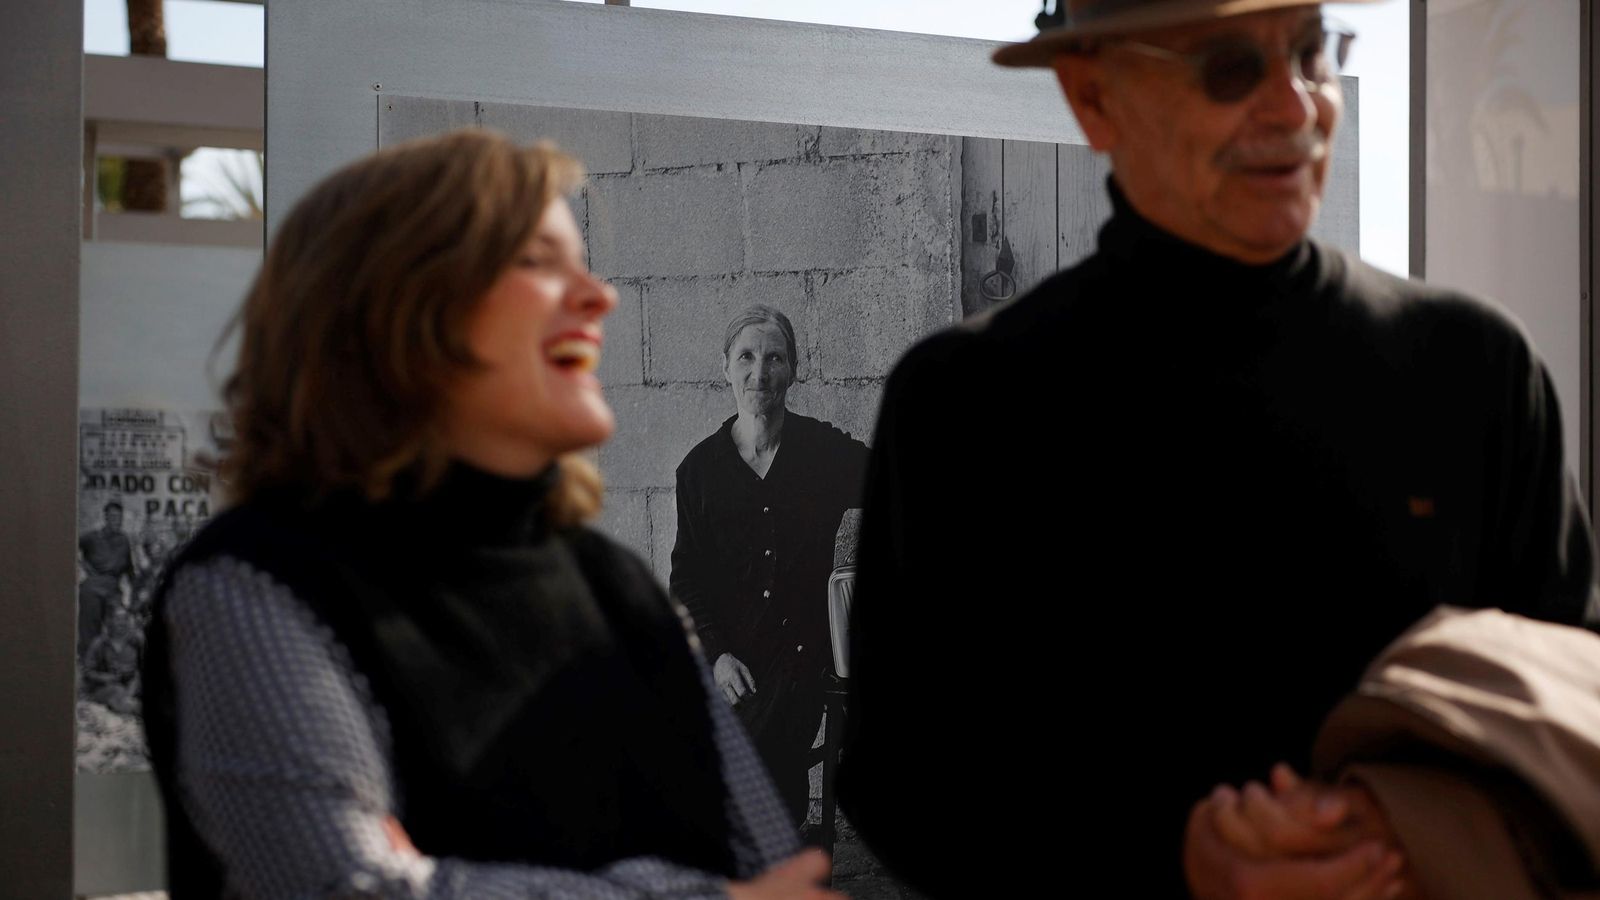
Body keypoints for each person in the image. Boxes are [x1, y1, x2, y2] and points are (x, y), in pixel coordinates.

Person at [838, 2, 1600, 897]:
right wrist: (1174, 864)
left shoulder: (1476, 370)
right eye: (1230, 67)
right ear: (1094, 98)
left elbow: (1570, 706)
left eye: (1310, 52)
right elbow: (901, 784)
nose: (1296, 107)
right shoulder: (966, 405)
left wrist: (1395, 827)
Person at [140, 129, 841, 900]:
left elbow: (781, 877)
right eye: (540, 264)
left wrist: (449, 878)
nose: (598, 297)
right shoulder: (256, 583)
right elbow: (341, 890)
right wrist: (683, 887)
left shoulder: (612, 585)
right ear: (402, 307)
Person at [671, 304, 871, 828]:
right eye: (747, 356)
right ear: (726, 367)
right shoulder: (698, 472)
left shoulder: (824, 453)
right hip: (733, 655)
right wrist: (716, 657)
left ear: (793, 370)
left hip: (803, 655)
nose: (759, 372)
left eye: (774, 358)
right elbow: (686, 580)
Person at [78, 498, 135, 658]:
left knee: (119, 622)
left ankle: (115, 661)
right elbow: (69, 545)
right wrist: (83, 567)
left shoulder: (124, 540)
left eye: (119, 517)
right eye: (113, 516)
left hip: (113, 587)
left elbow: (129, 568)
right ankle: (88, 662)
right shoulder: (92, 537)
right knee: (89, 628)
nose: (117, 520)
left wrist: (135, 590)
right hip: (93, 586)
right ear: (106, 517)